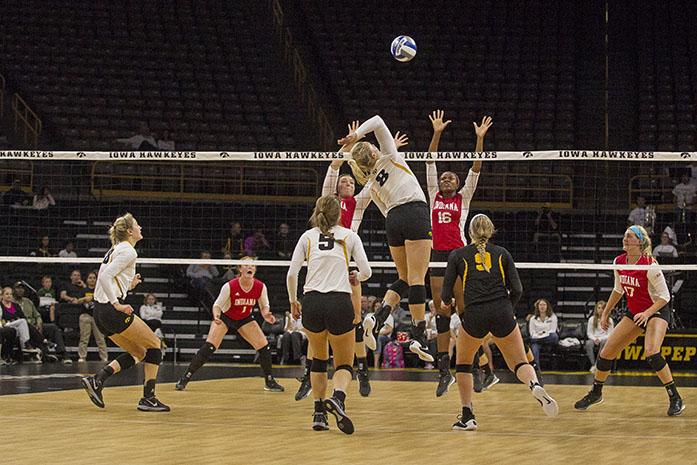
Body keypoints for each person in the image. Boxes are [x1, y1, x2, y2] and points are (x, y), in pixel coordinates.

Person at [441, 214, 558, 430]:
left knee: (464, 365)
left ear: (469, 233)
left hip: (474, 314)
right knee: (519, 362)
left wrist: (449, 304)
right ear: (491, 231)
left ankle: (467, 416)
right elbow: (518, 289)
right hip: (502, 311)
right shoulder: (502, 253)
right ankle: (534, 385)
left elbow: (446, 293)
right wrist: (506, 309)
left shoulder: (458, 255)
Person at [340, 115, 434, 363]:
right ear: (373, 151)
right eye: (372, 145)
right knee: (417, 278)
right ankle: (418, 336)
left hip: (393, 219)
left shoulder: (371, 183)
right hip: (414, 211)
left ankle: (377, 317)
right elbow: (380, 121)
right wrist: (356, 136)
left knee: (404, 278)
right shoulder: (390, 156)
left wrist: (351, 148)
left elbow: (386, 211)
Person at [295, 121, 374, 402]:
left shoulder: (359, 203)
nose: (347, 183)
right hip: (325, 264)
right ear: (337, 188)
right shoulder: (327, 203)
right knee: (323, 333)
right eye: (345, 181)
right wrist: (348, 145)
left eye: (352, 181)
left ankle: (361, 370)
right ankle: (311, 374)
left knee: (354, 320)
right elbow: (332, 168)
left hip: (348, 265)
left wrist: (375, 159)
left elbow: (373, 181)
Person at [574, 225, 685, 416]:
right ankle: (596, 392)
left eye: (630, 236)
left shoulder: (650, 265)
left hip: (656, 311)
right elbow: (618, 290)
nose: (625, 239)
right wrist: (605, 313)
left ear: (640, 242)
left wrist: (647, 313)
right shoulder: (619, 261)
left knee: (651, 352)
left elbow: (665, 296)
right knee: (607, 352)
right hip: (635, 312)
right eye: (625, 235)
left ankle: (675, 397)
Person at [287, 195, 371, 434]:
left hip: (312, 302)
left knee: (319, 360)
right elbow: (366, 271)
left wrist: (294, 301)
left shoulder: (307, 236)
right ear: (339, 214)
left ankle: (318, 413)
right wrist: (356, 276)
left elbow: (292, 275)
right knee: (344, 362)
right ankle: (338, 398)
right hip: (338, 301)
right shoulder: (349, 236)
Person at [425, 110, 492, 396]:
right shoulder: (432, 196)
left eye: (452, 177)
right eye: (445, 177)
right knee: (442, 311)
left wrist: (479, 139)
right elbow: (430, 161)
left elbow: (475, 169)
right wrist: (436, 133)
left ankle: (479, 368)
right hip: (436, 256)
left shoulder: (463, 199)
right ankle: (443, 372)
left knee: (466, 313)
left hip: (460, 255)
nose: (448, 179)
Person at [81, 213, 170, 412]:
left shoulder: (117, 249)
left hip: (100, 312)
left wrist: (129, 285)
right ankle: (149, 398)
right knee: (155, 345)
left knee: (138, 352)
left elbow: (111, 281)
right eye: (138, 225)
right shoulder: (129, 251)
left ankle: (98, 379)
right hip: (111, 310)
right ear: (130, 231)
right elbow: (103, 277)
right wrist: (117, 304)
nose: (141, 228)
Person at [175, 257, 284, 392]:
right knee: (209, 347)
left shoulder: (260, 286)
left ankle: (269, 381)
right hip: (226, 317)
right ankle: (185, 378)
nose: (250, 268)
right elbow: (217, 305)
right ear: (240, 268)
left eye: (252, 266)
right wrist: (216, 316)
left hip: (244, 318)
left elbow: (264, 306)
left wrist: (267, 315)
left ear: (255, 269)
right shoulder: (229, 286)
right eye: (246, 265)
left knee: (264, 348)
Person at [13, 282, 70, 364]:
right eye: (18, 288)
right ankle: (45, 349)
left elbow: (37, 315)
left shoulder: (28, 301)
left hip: (35, 325)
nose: (20, 290)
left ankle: (63, 353)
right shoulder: (11, 303)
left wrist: (39, 323)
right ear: (14, 290)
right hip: (23, 328)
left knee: (53, 327)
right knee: (28, 327)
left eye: (22, 288)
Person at [78, 271, 108, 362]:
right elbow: (77, 301)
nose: (92, 280)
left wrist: (93, 298)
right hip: (85, 315)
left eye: (94, 278)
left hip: (97, 316)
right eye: (90, 278)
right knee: (84, 338)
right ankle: (82, 356)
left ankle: (104, 357)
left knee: (100, 338)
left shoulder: (99, 290)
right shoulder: (83, 290)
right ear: (87, 280)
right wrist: (84, 299)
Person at [528, 299, 559, 370]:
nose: (542, 307)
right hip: (538, 339)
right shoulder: (533, 318)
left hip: (549, 339)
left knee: (554, 336)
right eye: (540, 305)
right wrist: (540, 335)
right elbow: (532, 333)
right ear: (537, 307)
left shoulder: (553, 317)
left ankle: (534, 341)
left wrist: (540, 335)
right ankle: (537, 369)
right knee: (534, 347)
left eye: (544, 305)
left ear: (547, 306)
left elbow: (552, 331)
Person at [585, 300, 614, 372]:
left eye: (603, 308)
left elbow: (610, 334)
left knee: (604, 342)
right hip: (594, 338)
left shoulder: (610, 320)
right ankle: (593, 364)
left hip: (604, 338)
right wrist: (595, 339)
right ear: (596, 309)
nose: (601, 310)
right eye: (599, 308)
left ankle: (598, 364)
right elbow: (589, 333)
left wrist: (600, 339)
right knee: (588, 343)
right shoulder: (591, 319)